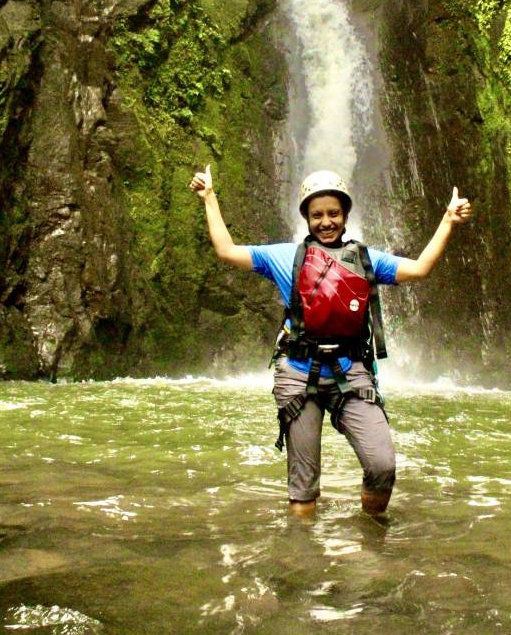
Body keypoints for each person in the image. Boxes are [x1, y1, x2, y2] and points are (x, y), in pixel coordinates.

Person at [189, 165, 472, 516]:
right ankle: (305, 561)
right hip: (297, 370)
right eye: (317, 214)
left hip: (351, 370)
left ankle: (372, 537)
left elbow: (419, 269)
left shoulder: (367, 260)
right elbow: (227, 250)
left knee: (382, 465)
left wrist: (448, 221)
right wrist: (209, 198)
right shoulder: (284, 257)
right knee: (303, 485)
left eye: (333, 213)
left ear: (346, 215)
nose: (326, 221)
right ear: (306, 218)